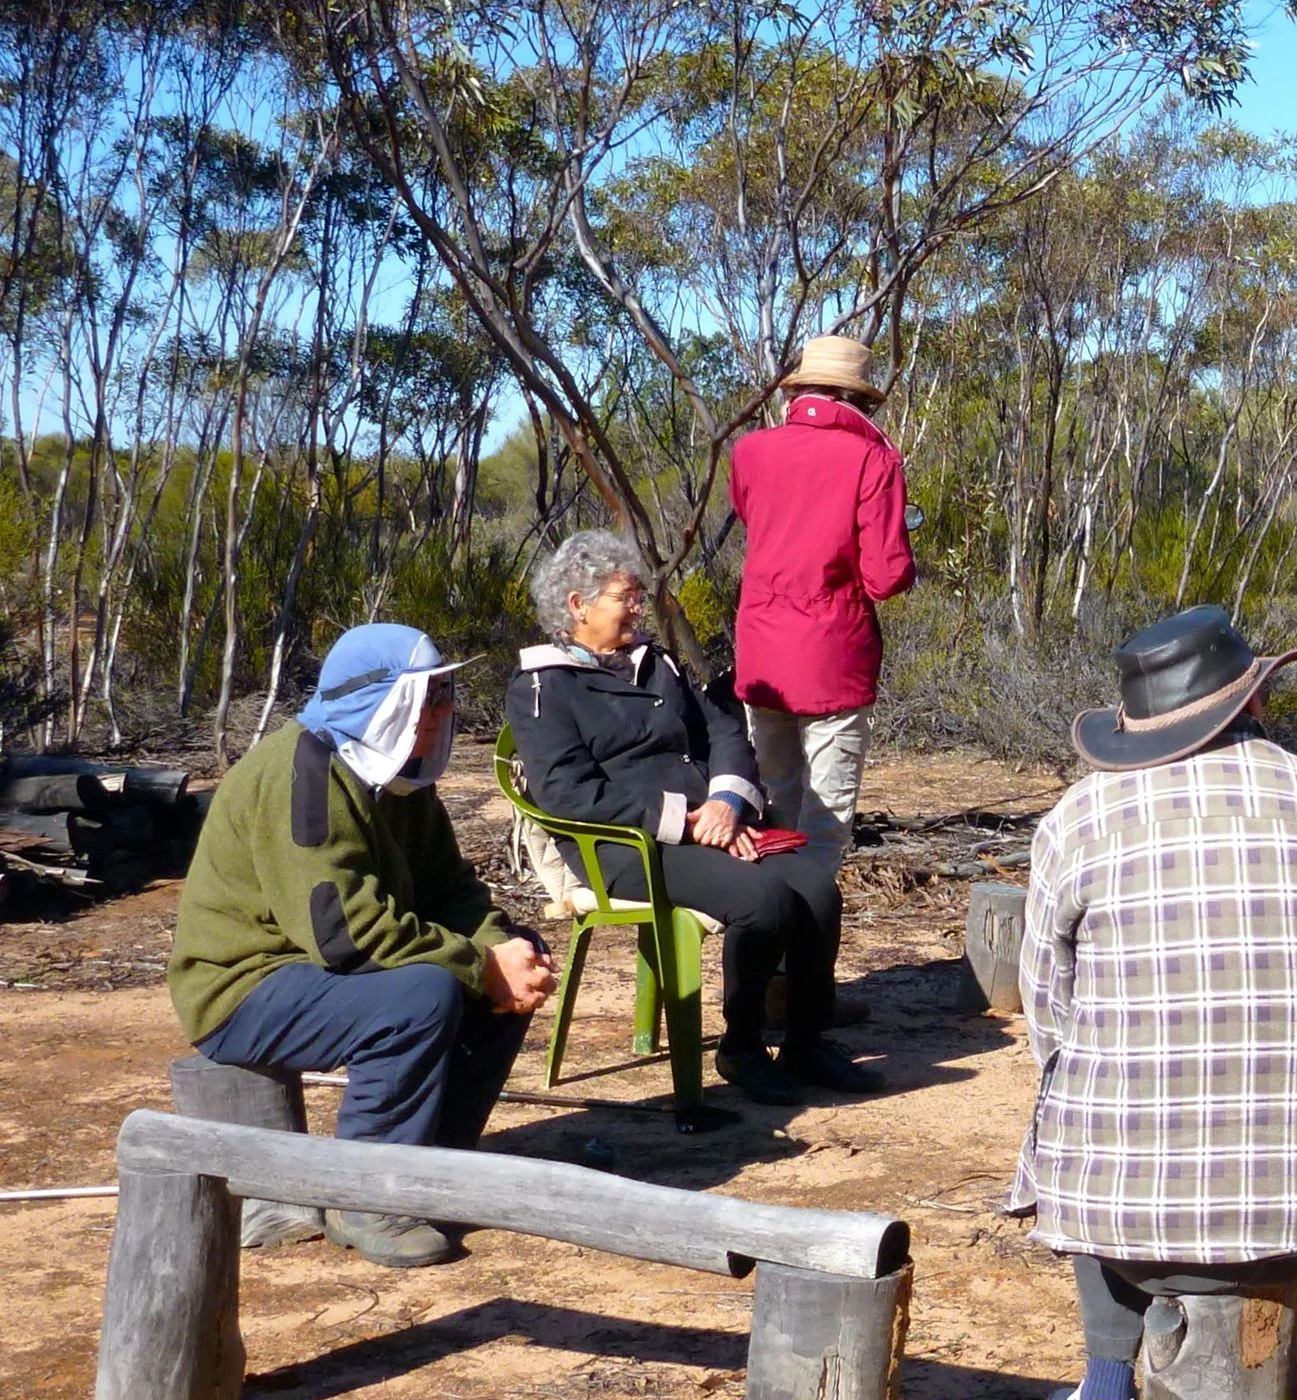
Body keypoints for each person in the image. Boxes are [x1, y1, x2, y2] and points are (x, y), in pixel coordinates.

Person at [1013, 606, 1297, 1400]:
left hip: (1128, 1202)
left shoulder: (1078, 820)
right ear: (1256, 704)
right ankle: (1248, 1393)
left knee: (1095, 1096)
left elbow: (1050, 1026)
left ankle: (1110, 1397)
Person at [169, 624, 555, 1269]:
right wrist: (476, 967)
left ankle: (432, 1168)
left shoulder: (397, 774)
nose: (445, 711)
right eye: (429, 697)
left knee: (515, 952)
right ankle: (367, 1196)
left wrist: (501, 951)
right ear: (383, 703)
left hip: (316, 970)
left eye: (445, 694)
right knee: (423, 993)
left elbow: (449, 888)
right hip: (240, 985)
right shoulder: (306, 775)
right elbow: (343, 935)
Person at [506, 530, 880, 1107]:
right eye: (623, 597)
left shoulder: (654, 663)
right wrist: (690, 821)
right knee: (763, 900)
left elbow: (724, 733)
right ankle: (742, 1048)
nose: (636, 607)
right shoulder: (542, 685)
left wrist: (728, 803)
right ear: (578, 606)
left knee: (814, 887)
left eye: (636, 596)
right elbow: (567, 794)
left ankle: (806, 1042)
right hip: (621, 849)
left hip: (708, 829)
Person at [731, 334, 917, 884]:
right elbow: (885, 578)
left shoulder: (750, 451)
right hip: (832, 659)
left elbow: (756, 521)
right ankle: (804, 954)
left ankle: (770, 941)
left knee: (772, 806)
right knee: (825, 821)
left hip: (762, 655)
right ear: (856, 397)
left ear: (802, 390)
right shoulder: (873, 458)